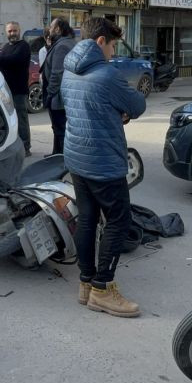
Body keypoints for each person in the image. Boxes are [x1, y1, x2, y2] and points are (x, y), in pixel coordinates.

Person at [61, 17, 147, 317]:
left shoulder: (68, 70)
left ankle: (86, 284)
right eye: (112, 45)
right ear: (100, 42)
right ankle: (102, 288)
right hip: (103, 161)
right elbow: (137, 105)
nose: (112, 51)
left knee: (86, 219)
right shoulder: (107, 74)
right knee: (118, 221)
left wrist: (111, 113)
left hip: (76, 157)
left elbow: (78, 106)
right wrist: (121, 108)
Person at [0, 21, 32, 156]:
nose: (12, 33)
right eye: (10, 31)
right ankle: (13, 145)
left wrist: (0, 60)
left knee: (21, 120)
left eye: (14, 31)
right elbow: (2, 64)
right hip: (6, 91)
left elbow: (15, 60)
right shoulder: (5, 47)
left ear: (19, 31)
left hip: (19, 90)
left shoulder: (24, 46)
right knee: (9, 120)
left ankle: (26, 147)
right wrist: (0, 60)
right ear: (6, 33)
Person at [41, 18, 76, 155]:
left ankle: (60, 160)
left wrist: (50, 94)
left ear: (58, 29)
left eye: (51, 27)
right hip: (63, 96)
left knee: (60, 129)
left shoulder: (62, 46)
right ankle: (56, 154)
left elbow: (57, 74)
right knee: (58, 128)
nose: (49, 30)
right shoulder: (67, 43)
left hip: (59, 97)